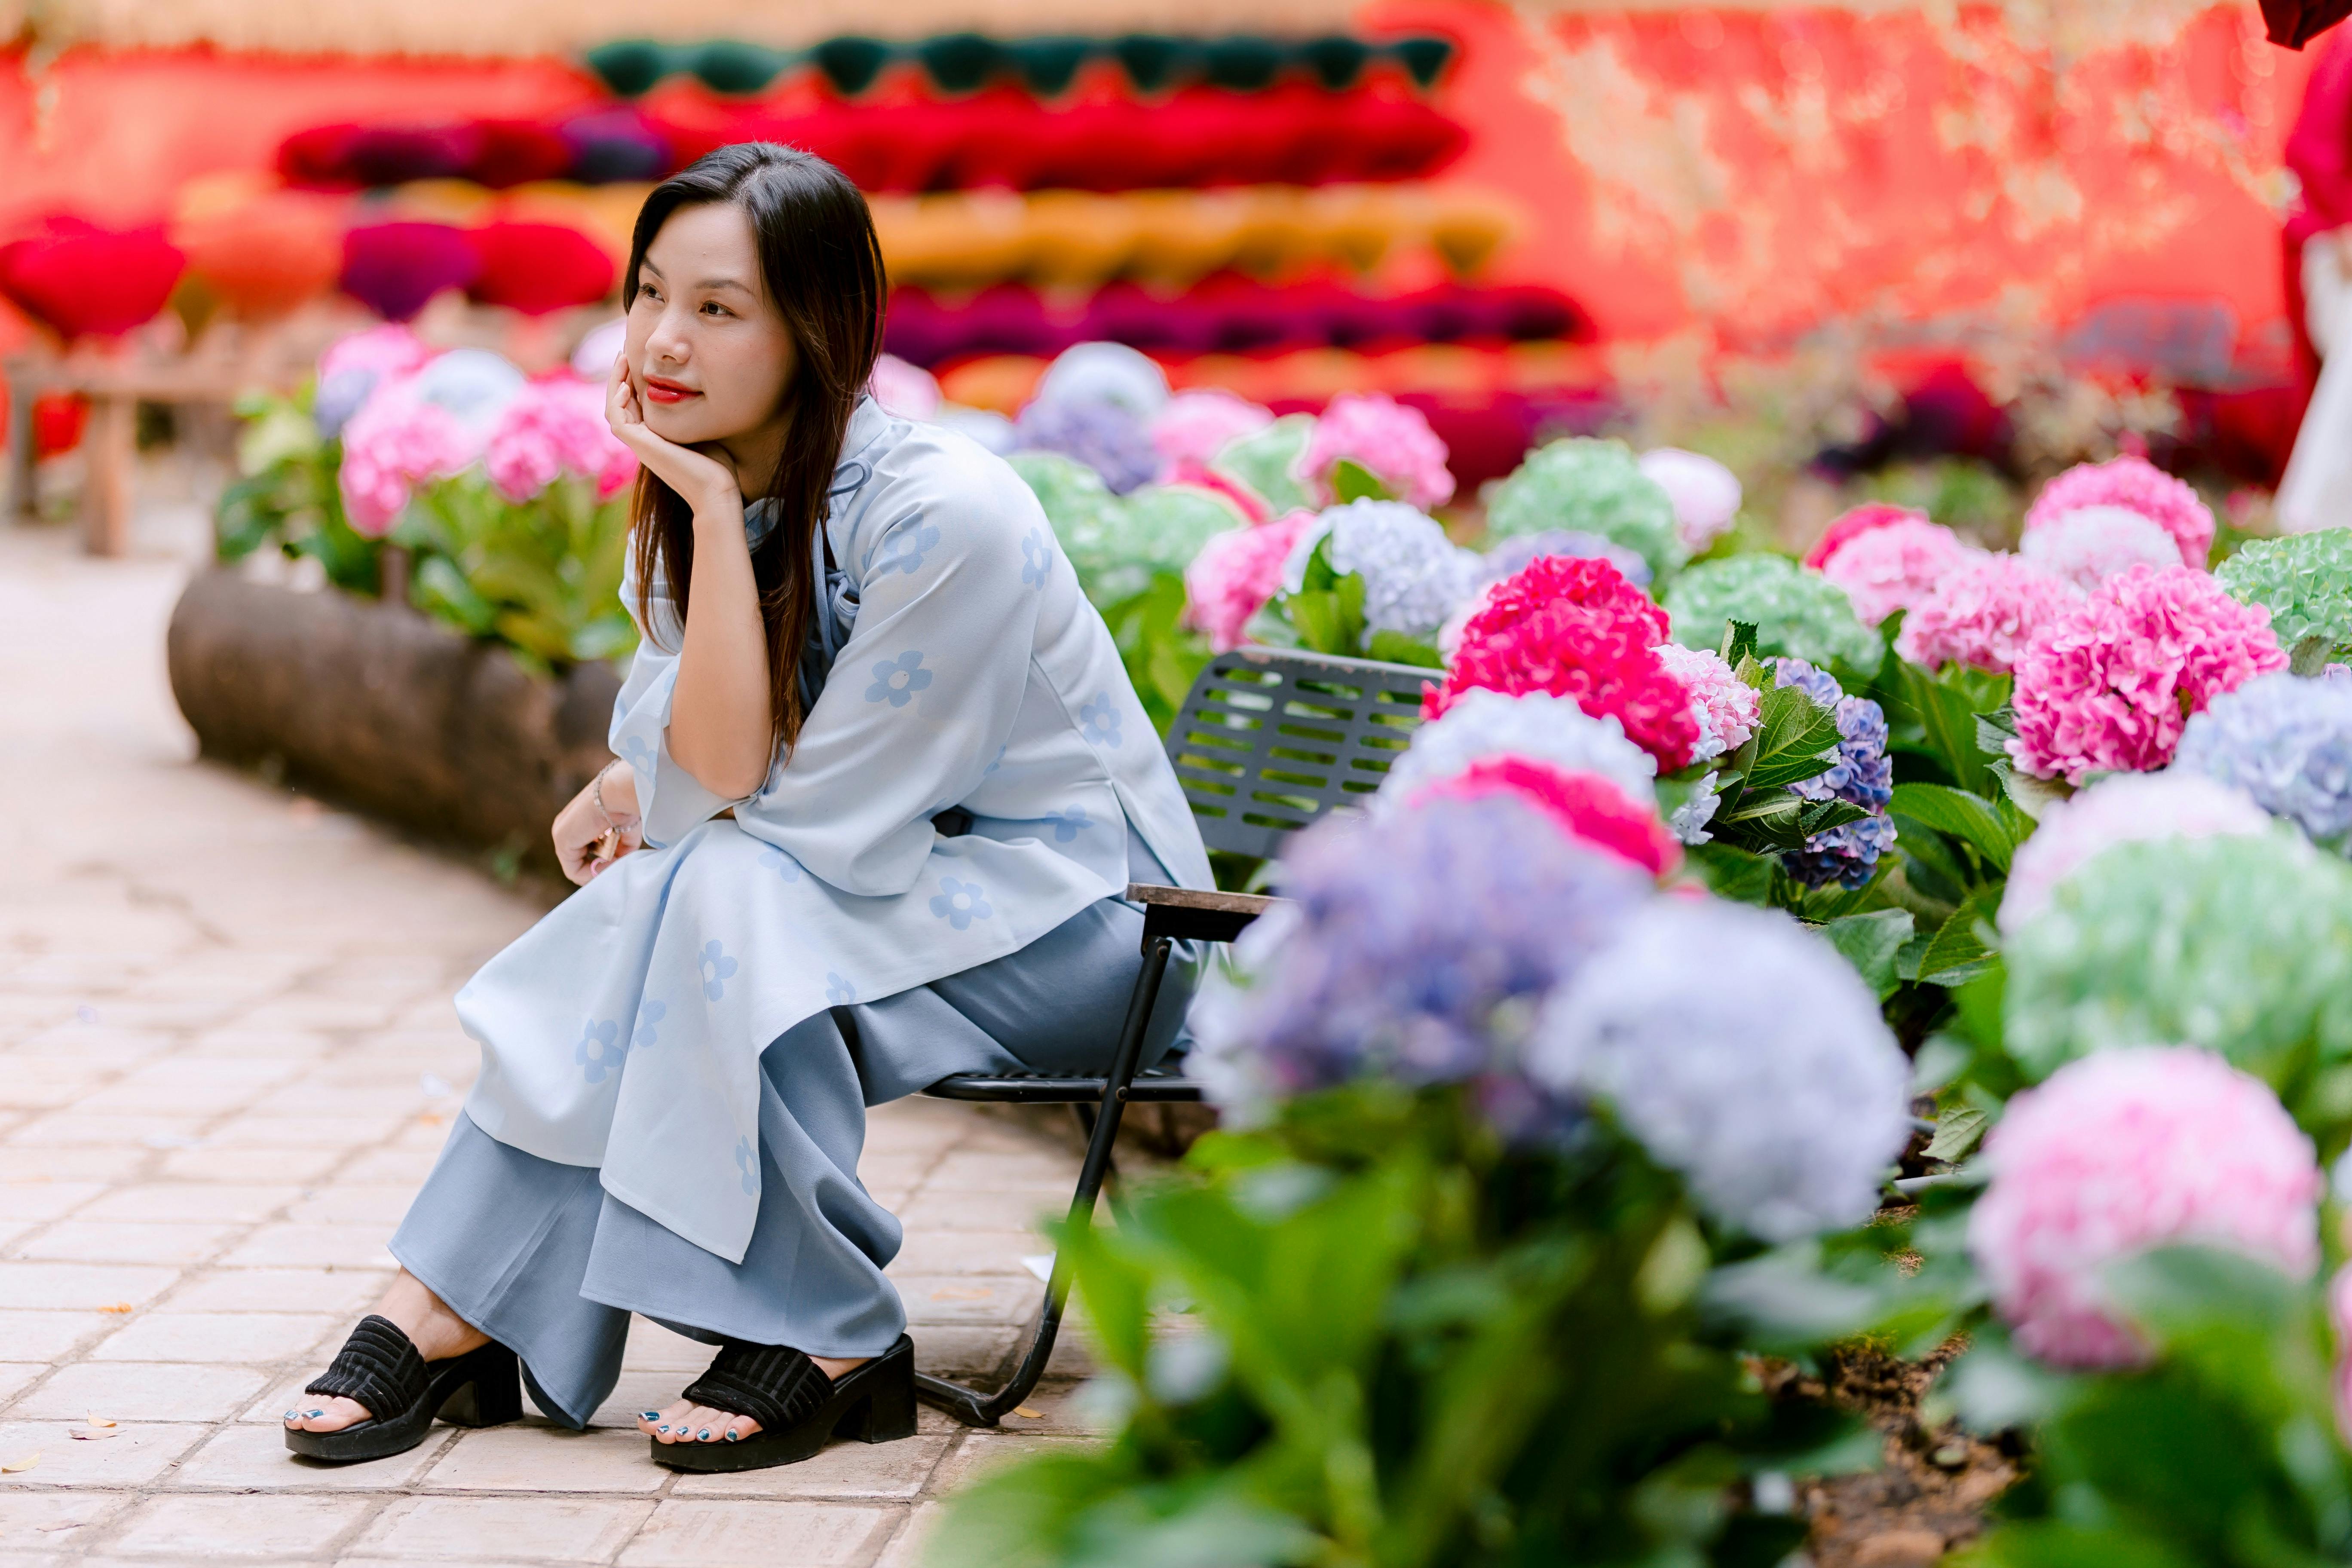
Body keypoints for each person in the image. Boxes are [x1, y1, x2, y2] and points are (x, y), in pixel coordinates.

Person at [280, 143, 1210, 1474]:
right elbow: (716, 771)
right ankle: (473, 1304)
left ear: (817, 331)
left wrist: (656, 812)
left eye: (718, 309)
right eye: (650, 293)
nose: (664, 339)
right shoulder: (725, 486)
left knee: (712, 894)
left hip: (1094, 931)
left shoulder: (948, 517)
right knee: (707, 896)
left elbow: (805, 825)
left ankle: (568, 1308)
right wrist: (710, 511)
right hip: (905, 904)